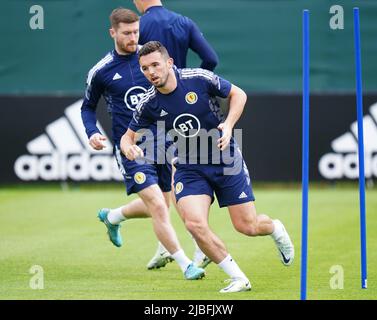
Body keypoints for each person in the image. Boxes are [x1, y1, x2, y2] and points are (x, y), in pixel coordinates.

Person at [121, 41, 295, 293]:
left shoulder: (198, 78)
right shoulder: (148, 103)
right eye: (145, 68)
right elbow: (128, 136)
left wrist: (229, 124)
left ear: (169, 63)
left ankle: (275, 229)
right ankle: (239, 278)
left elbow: (239, 94)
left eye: (155, 65)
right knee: (194, 223)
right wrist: (128, 147)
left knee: (247, 226)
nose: (151, 72)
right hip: (188, 167)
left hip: (224, 159)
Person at [81, 9, 205, 279]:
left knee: (165, 203)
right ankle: (187, 264)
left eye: (136, 31)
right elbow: (87, 107)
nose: (132, 37)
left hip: (163, 142)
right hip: (131, 147)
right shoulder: (101, 71)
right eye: (126, 33)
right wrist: (92, 132)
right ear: (112, 33)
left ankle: (113, 217)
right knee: (159, 206)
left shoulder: (150, 59)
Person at [133, 0, 218, 268]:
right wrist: (195, 83)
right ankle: (166, 246)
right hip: (185, 109)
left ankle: (195, 246)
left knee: (172, 181)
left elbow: (129, 65)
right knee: (167, 183)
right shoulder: (183, 22)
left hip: (155, 109)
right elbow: (211, 59)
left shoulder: (140, 26)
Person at [133, 0, 219, 71]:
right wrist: (197, 81)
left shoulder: (136, 27)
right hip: (180, 88)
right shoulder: (185, 22)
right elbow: (211, 60)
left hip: (149, 88)